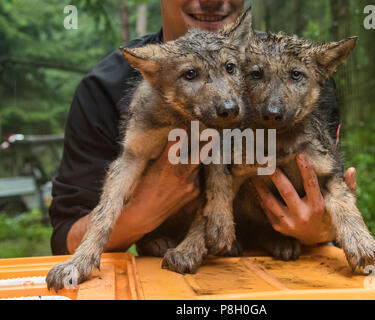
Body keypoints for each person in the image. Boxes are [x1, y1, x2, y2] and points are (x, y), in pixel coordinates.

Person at [49, 0, 357, 256]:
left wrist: (322, 229)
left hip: (282, 273)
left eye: (233, 71)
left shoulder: (300, 73)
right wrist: (143, 210)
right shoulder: (103, 89)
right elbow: (66, 239)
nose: (211, 0)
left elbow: (320, 190)